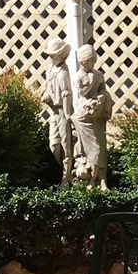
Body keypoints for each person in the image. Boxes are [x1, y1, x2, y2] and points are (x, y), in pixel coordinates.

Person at [71, 44, 111, 189]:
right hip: (84, 115)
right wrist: (92, 81)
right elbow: (82, 93)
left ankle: (102, 181)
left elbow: (104, 91)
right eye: (87, 62)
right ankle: (91, 180)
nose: (89, 64)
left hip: (97, 115)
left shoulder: (99, 74)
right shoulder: (78, 76)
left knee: (100, 148)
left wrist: (101, 98)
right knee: (92, 149)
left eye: (91, 61)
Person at [41, 38, 74, 185]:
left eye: (53, 54)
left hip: (62, 112)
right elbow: (49, 88)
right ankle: (64, 171)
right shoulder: (50, 71)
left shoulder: (63, 73)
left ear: (61, 55)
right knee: (54, 145)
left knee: (66, 146)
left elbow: (67, 93)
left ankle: (66, 179)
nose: (51, 57)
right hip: (53, 112)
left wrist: (67, 115)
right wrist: (46, 95)